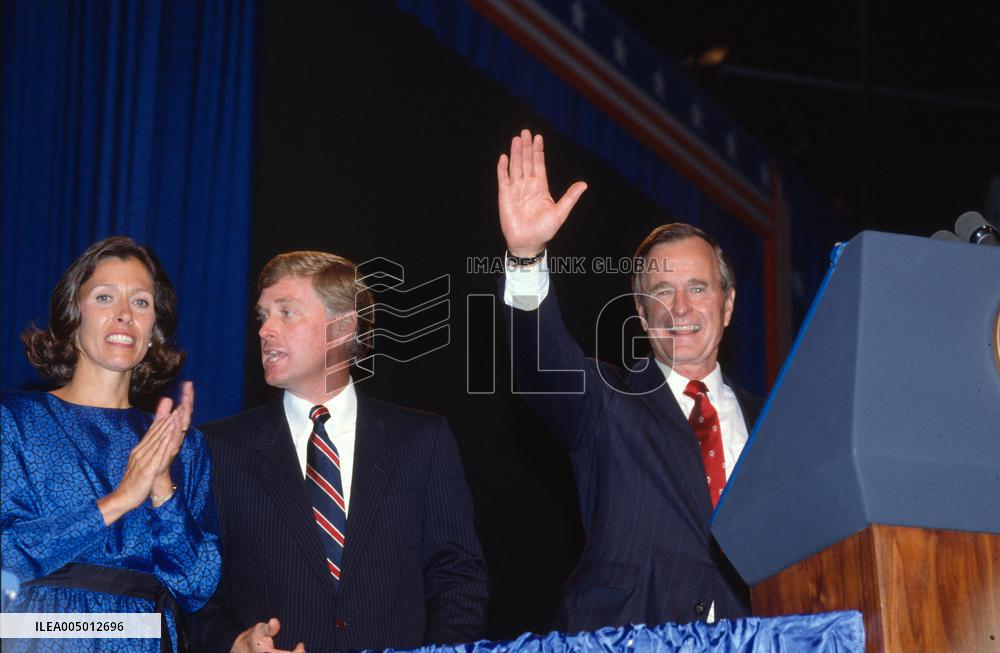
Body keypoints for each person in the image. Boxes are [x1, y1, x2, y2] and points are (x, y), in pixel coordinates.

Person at [497, 129, 763, 632]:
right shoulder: (607, 401)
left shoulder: (777, 423)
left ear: (727, 306)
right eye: (662, 292)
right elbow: (542, 366)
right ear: (641, 316)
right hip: (622, 638)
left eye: (698, 288)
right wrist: (527, 257)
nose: (680, 307)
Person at [186, 251, 488, 653]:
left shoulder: (422, 440)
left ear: (343, 327)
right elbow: (191, 586)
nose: (265, 330)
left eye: (286, 312)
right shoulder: (216, 447)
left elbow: (458, 576)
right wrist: (233, 643)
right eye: (263, 316)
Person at [1, 236, 221, 652]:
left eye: (141, 303)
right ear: (73, 314)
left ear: (155, 328)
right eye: (105, 297)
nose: (124, 315)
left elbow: (196, 586)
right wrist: (118, 500)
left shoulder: (182, 446)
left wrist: (160, 489)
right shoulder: (14, 420)